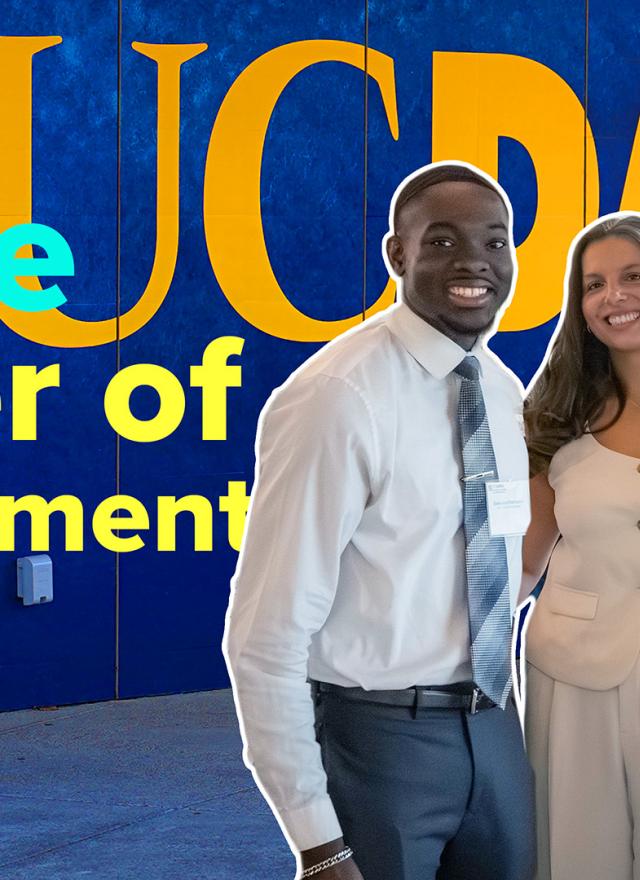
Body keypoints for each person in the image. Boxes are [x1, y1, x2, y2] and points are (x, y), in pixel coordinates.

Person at [224, 160, 536, 880]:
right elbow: (266, 632)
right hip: (379, 744)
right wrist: (317, 840)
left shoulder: (499, 389)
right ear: (397, 255)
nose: (475, 264)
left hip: (496, 732)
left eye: (495, 242)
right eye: (443, 242)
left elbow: (497, 564)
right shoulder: (338, 397)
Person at [521, 212, 640, 880]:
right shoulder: (557, 411)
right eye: (594, 285)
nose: (614, 297)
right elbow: (525, 560)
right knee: (577, 859)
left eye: (632, 276)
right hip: (574, 676)